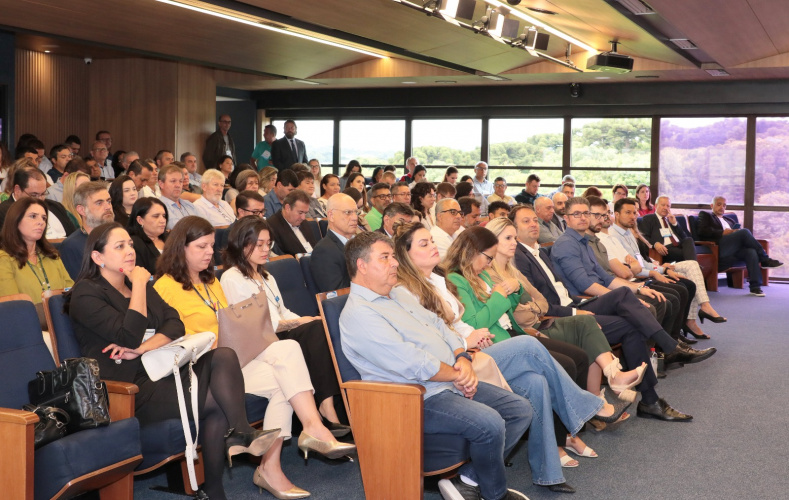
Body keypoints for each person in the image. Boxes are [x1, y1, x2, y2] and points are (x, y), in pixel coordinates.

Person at [391, 222, 626, 490]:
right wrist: (467, 339)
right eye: (424, 243)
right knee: (528, 345)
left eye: (432, 241)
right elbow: (438, 334)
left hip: (473, 350)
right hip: (458, 361)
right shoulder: (411, 290)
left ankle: (548, 472)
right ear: (406, 255)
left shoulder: (437, 280)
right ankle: (588, 406)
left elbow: (458, 322)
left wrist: (473, 333)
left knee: (536, 382)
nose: (434, 246)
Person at [68, 221, 279, 500]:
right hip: (129, 388)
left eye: (130, 244)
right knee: (215, 402)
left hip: (161, 369)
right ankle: (221, 473)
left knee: (224, 356)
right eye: (119, 247)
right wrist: (141, 286)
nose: (130, 251)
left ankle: (236, 435)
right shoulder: (86, 293)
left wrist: (143, 349)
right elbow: (127, 335)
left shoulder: (137, 286)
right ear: (97, 257)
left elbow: (174, 324)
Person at [340, 231, 532, 500]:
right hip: (415, 397)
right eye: (385, 258)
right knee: (490, 423)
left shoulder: (398, 294)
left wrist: (462, 358)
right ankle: (494, 494)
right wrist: (455, 373)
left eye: (393, 256)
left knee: (519, 409)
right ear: (361, 266)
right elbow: (411, 362)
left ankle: (469, 480)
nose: (395, 263)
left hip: (447, 379)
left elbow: (442, 326)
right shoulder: (360, 313)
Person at [510, 204, 698, 421]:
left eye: (535, 219)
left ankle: (650, 399)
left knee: (631, 317)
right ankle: (667, 353)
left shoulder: (542, 252)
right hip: (559, 316)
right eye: (526, 221)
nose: (534, 224)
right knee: (625, 300)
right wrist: (574, 312)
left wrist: (636, 289)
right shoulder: (520, 258)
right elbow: (542, 306)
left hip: (575, 303)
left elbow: (600, 279)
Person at [216, 217, 355, 497]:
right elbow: (256, 325)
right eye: (258, 244)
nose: (265, 249)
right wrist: (292, 324)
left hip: (276, 339)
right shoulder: (233, 277)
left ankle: (308, 431)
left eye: (269, 244)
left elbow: (282, 311)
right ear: (241, 244)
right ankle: (319, 418)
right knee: (302, 340)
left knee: (317, 326)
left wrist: (301, 319)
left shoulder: (266, 275)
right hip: (256, 346)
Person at [446, 224, 644, 406]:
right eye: (488, 257)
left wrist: (514, 291)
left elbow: (529, 303)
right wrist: (501, 296)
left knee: (581, 351)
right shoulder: (456, 279)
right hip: (502, 339)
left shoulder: (484, 273)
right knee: (568, 363)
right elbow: (476, 322)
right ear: (471, 252)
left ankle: (603, 392)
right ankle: (590, 407)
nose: (489, 263)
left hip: (518, 329)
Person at [604, 196, 724, 340]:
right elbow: (632, 268)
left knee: (690, 273)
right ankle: (679, 332)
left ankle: (690, 320)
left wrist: (661, 268)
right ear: (616, 214)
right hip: (643, 274)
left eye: (635, 213)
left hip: (660, 262)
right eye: (628, 213)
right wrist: (658, 269)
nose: (633, 217)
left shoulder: (629, 232)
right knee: (684, 287)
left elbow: (640, 261)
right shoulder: (614, 236)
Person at [0, 198, 73, 326]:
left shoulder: (52, 255)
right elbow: (14, 307)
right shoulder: (4, 260)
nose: (41, 222)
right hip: (27, 329)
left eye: (44, 218)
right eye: (33, 216)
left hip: (63, 324)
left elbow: (70, 291)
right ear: (16, 220)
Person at [697, 195, 782, 297]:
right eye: (719, 204)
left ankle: (755, 287)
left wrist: (734, 232)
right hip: (719, 248)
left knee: (751, 251)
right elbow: (702, 232)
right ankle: (764, 259)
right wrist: (722, 232)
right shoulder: (706, 215)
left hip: (733, 250)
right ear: (712, 205)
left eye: (724, 205)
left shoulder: (730, 220)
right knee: (744, 232)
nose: (722, 207)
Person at [60, 181, 115, 279]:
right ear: (81, 210)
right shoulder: (72, 246)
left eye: (109, 201)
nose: (108, 207)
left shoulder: (117, 238)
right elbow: (83, 286)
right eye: (99, 203)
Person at [310, 193, 357, 292]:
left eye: (355, 212)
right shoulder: (324, 251)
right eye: (348, 212)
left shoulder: (359, 243)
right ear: (331, 215)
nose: (354, 217)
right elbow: (336, 294)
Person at [267, 190, 318, 256]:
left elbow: (315, 247)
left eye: (305, 213)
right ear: (287, 208)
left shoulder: (304, 222)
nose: (303, 217)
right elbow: (281, 258)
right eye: (300, 213)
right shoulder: (272, 226)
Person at [127, 197, 168, 275]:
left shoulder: (170, 238)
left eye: (164, 216)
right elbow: (141, 277)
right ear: (140, 220)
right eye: (156, 216)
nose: (163, 220)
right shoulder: (134, 244)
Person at [157, 165, 202, 230]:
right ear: (161, 184)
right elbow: (177, 229)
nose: (178, 185)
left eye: (180, 181)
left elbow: (203, 225)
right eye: (173, 181)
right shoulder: (159, 207)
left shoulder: (189, 205)